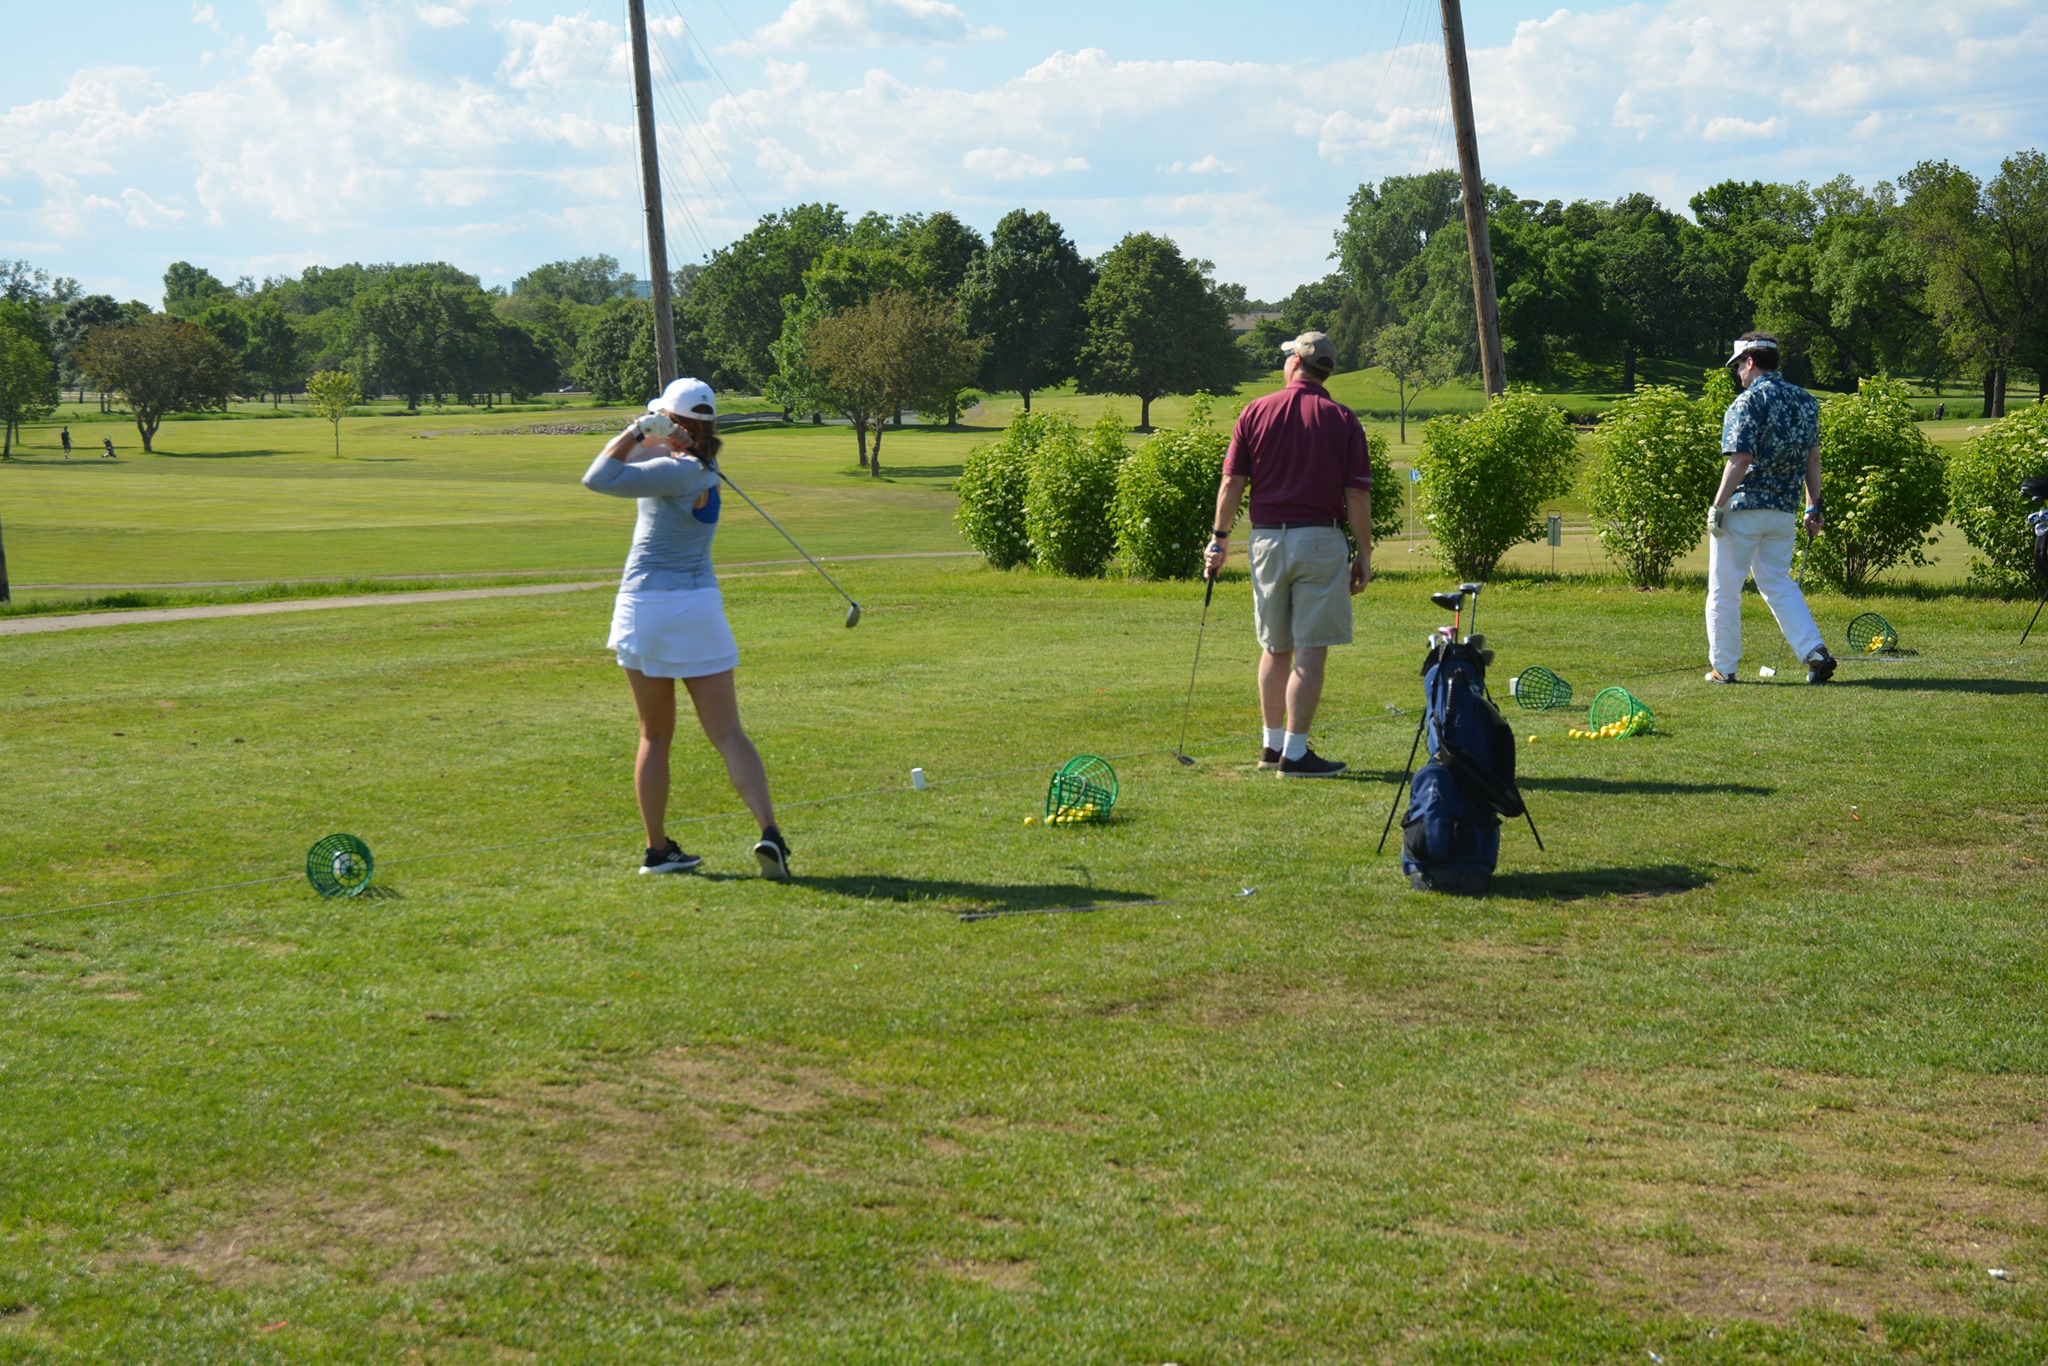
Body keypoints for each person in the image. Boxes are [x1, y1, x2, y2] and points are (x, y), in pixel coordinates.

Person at [581, 376, 791, 878]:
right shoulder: (701, 466)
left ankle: (657, 850)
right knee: (727, 732)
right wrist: (662, 433)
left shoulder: (673, 472)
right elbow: (641, 459)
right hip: (699, 607)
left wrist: (636, 428)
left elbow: (598, 476)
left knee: (655, 735)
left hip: (648, 605)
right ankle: (770, 832)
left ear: (673, 422)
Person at [1203, 331, 1373, 777]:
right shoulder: (1342, 419)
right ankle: (1294, 755)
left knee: (1275, 647)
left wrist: (1219, 539)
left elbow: (1231, 484)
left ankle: (1271, 747)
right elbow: (1357, 496)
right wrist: (1365, 554)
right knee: (1310, 650)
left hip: (1265, 541)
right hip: (1319, 540)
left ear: (1296, 362)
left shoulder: (1255, 411)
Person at [1705, 333, 1836, 685]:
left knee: (1724, 588)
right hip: (1783, 511)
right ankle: (1815, 652)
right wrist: (1813, 506)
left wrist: (1717, 505)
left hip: (1744, 507)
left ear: (1749, 362)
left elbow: (1741, 459)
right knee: (1779, 583)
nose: (1738, 375)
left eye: (1738, 367)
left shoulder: (1747, 402)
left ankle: (1724, 667)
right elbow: (1813, 458)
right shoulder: (1806, 401)